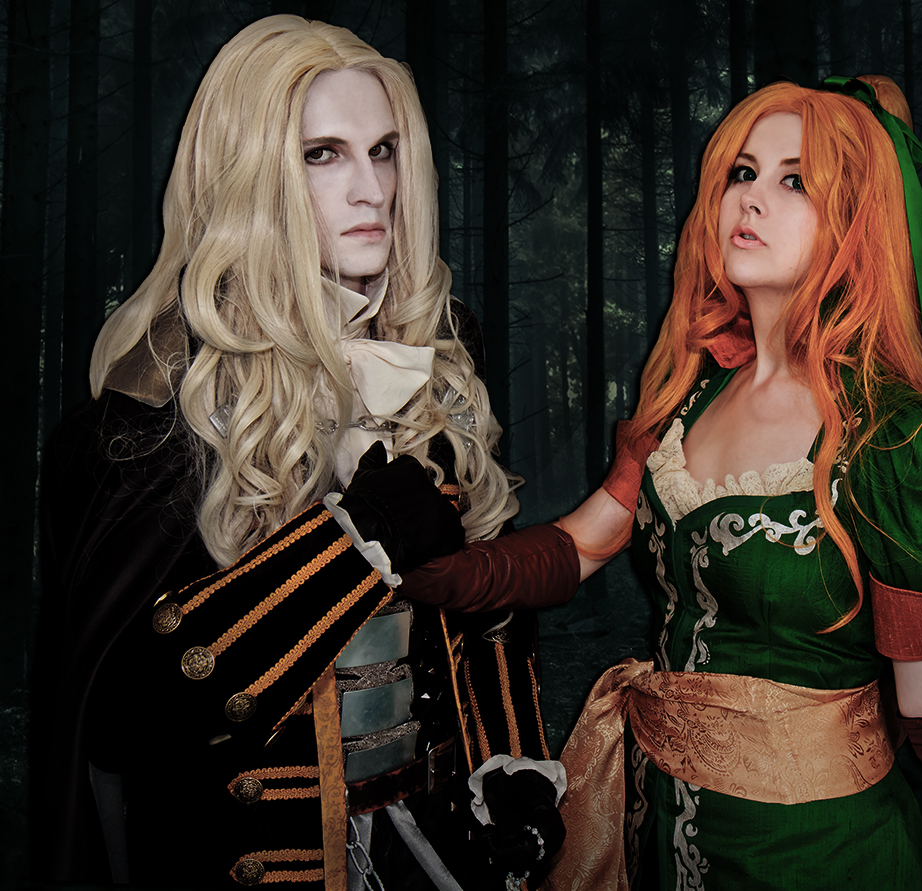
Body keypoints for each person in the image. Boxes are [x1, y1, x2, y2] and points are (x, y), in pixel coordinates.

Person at [397, 76, 922, 890]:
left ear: (855, 222)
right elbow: (581, 545)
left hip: (825, 857)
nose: (752, 198)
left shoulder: (900, 437)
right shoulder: (685, 401)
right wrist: (421, 571)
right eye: (743, 172)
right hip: (660, 838)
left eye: (795, 181)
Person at [32, 15, 571, 891]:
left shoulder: (436, 353)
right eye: (324, 154)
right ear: (247, 172)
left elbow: (483, 607)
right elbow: (123, 716)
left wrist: (509, 768)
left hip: (430, 851)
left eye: (384, 151)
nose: (372, 189)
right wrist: (354, 542)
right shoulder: (157, 401)